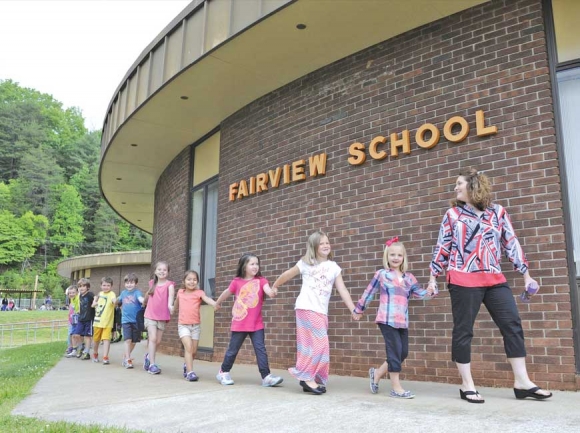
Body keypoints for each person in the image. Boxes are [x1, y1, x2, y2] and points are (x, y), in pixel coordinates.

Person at [428, 167, 552, 403]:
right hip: (463, 279)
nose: (455, 188)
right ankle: (467, 385)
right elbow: (442, 247)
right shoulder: (453, 214)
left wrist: (526, 275)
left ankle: (522, 383)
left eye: (459, 183)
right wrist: (433, 277)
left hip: (495, 279)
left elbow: (510, 242)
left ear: (473, 185)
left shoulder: (498, 213)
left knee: (512, 325)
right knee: (464, 331)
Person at [271, 230, 359, 395]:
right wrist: (274, 286)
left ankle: (312, 377)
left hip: (320, 311)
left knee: (312, 346)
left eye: (327, 243)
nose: (326, 245)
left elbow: (343, 290)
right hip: (305, 307)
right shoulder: (306, 263)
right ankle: (307, 378)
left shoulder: (333, 267)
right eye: (322, 243)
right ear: (314, 246)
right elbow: (287, 274)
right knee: (320, 344)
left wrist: (353, 309)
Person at [353, 237, 434, 399]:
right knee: (395, 351)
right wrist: (359, 309)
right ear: (387, 256)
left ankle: (377, 373)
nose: (396, 258)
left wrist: (431, 289)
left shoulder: (409, 278)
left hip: (402, 321)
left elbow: (421, 295)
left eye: (399, 255)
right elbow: (369, 293)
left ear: (403, 258)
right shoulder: (381, 275)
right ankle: (396, 388)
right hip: (386, 319)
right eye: (392, 255)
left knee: (403, 352)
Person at [215, 253, 283, 388]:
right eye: (252, 264)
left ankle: (266, 377)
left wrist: (273, 291)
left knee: (260, 349)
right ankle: (223, 372)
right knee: (233, 350)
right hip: (240, 322)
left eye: (257, 263)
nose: (255, 266)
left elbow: (268, 291)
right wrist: (217, 302)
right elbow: (227, 292)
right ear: (244, 266)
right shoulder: (237, 282)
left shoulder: (262, 280)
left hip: (256, 323)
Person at [174, 270, 217, 381]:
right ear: (184, 281)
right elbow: (176, 304)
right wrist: (172, 310)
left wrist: (214, 304)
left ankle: (186, 365)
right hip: (183, 325)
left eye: (194, 279)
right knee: (188, 347)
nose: (192, 282)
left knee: (193, 352)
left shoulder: (199, 292)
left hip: (195, 326)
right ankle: (190, 372)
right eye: (189, 279)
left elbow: (207, 299)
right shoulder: (180, 292)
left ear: (197, 281)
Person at [143, 261, 175, 375]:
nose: (162, 271)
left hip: (162, 317)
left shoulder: (170, 284)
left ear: (168, 272)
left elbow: (171, 297)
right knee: (152, 338)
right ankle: (152, 364)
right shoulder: (152, 283)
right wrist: (144, 301)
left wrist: (170, 306)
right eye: (159, 269)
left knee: (158, 341)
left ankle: (148, 356)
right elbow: (148, 296)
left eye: (164, 270)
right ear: (155, 272)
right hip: (150, 315)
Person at [117, 273, 144, 369]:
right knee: (128, 340)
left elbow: (140, 299)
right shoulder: (123, 293)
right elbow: (118, 300)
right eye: (127, 283)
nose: (129, 285)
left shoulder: (137, 292)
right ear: (125, 284)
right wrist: (113, 300)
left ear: (135, 283)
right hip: (125, 320)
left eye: (131, 283)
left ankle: (125, 356)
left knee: (134, 341)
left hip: (136, 320)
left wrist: (143, 300)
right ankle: (128, 359)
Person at [91, 277, 117, 364]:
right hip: (97, 321)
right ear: (101, 285)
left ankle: (105, 356)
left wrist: (115, 302)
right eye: (104, 285)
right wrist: (95, 302)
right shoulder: (100, 294)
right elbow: (93, 305)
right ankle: (95, 353)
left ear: (111, 286)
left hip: (107, 322)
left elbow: (114, 300)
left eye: (108, 285)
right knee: (96, 340)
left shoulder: (112, 294)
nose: (106, 287)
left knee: (106, 339)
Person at [67, 278, 95, 360]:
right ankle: (81, 347)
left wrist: (95, 302)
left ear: (87, 287)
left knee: (87, 336)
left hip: (88, 319)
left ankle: (86, 352)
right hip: (81, 318)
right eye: (80, 286)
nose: (81, 288)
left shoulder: (90, 295)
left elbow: (96, 298)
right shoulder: (79, 296)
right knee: (76, 334)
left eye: (83, 286)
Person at [64, 285, 79, 356]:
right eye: (70, 293)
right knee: (70, 334)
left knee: (73, 334)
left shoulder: (77, 299)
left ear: (76, 293)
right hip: (71, 320)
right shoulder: (72, 300)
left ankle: (73, 347)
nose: (71, 294)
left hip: (76, 320)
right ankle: (71, 347)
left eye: (73, 293)